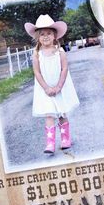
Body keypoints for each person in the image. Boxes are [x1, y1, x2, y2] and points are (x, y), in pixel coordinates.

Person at [24, 14, 80, 154]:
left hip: (59, 87)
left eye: (49, 33)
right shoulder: (37, 54)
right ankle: (50, 143)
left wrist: (58, 87)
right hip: (45, 90)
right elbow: (37, 72)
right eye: (42, 34)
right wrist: (46, 88)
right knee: (49, 115)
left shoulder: (59, 52)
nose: (45, 36)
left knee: (61, 113)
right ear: (37, 37)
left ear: (55, 35)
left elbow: (64, 69)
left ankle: (65, 139)